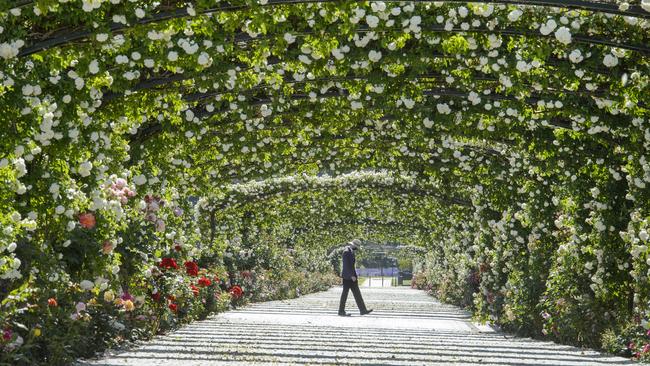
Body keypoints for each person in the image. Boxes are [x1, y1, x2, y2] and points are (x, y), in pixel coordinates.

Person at [338, 239, 373, 316]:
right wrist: (351, 276)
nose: (357, 248)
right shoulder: (346, 252)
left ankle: (363, 310)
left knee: (357, 293)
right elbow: (346, 266)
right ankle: (341, 311)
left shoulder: (350, 251)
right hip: (348, 277)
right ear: (353, 245)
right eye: (356, 246)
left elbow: (351, 266)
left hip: (351, 276)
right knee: (345, 294)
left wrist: (354, 275)